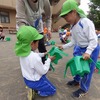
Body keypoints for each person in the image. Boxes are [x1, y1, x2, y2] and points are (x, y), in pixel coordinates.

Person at [59, 0, 99, 98]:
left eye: (66, 16)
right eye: (63, 17)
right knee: (77, 65)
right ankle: (77, 80)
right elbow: (73, 42)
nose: (65, 19)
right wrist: (63, 47)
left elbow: (93, 40)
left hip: (91, 49)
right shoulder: (72, 26)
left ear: (74, 12)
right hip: (80, 47)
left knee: (86, 70)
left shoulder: (85, 22)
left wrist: (88, 52)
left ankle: (84, 89)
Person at [15, 26, 56, 97]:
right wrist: (49, 60)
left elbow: (32, 56)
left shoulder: (22, 52)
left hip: (27, 80)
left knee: (43, 77)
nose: (38, 44)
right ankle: (38, 91)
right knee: (52, 90)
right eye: (37, 42)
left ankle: (33, 88)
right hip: (35, 82)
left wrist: (43, 54)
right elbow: (43, 71)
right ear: (32, 43)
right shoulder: (35, 57)